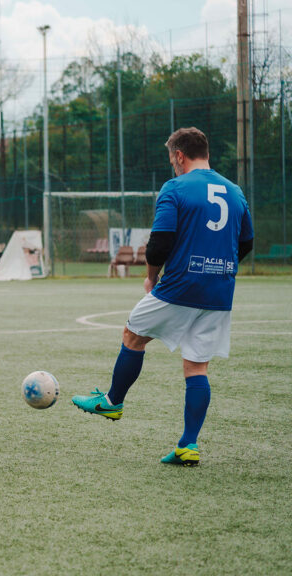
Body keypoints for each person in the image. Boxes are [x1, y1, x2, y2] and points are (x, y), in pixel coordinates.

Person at [71, 127, 254, 466]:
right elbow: (245, 244)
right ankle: (188, 445)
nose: (172, 164)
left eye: (172, 158)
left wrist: (151, 278)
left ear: (179, 155)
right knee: (197, 365)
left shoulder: (175, 187)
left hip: (180, 284)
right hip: (219, 290)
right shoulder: (235, 191)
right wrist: (218, 269)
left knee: (133, 334)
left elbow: (159, 244)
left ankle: (113, 401)